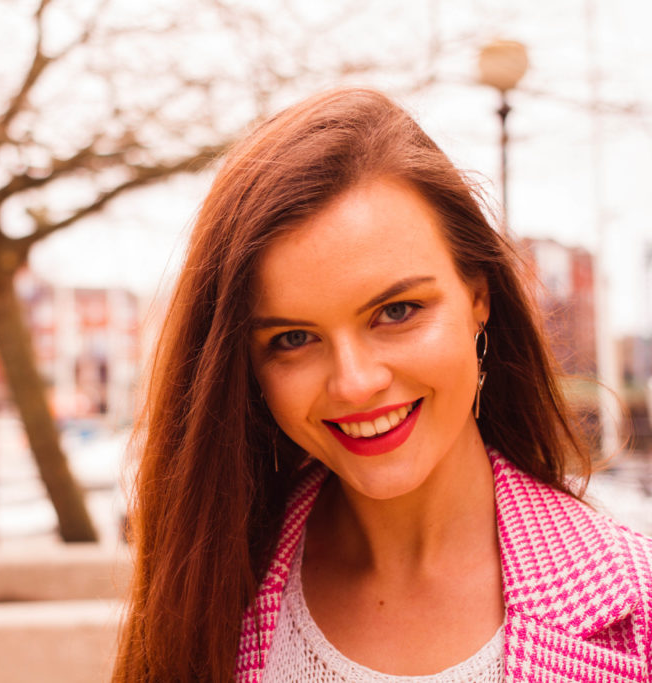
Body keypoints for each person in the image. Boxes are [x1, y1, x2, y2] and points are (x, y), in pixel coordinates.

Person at [113, 88, 652, 682]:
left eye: (396, 311)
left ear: (478, 298)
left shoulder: (637, 605)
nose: (355, 383)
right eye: (294, 338)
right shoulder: (207, 592)